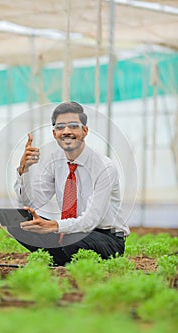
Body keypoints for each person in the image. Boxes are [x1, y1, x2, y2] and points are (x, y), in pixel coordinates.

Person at [14, 101, 129, 266]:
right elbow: (31, 202)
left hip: (106, 238)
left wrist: (53, 226)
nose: (66, 131)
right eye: (60, 127)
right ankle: (62, 259)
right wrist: (24, 170)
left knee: (71, 238)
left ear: (85, 131)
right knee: (19, 221)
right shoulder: (55, 162)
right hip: (69, 235)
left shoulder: (104, 167)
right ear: (54, 134)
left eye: (73, 126)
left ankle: (62, 256)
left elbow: (91, 220)